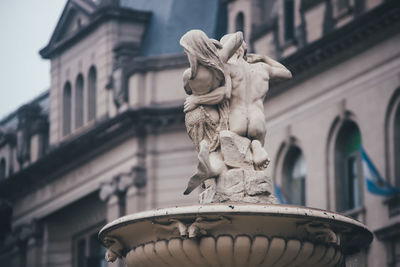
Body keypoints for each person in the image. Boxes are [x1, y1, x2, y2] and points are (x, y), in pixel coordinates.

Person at [185, 33, 292, 170]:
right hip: (258, 119)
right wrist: (263, 58)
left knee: (231, 163)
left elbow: (225, 92)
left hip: (237, 121)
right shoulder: (262, 68)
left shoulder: (227, 68)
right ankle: (256, 144)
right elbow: (287, 73)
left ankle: (213, 166)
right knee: (255, 158)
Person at [180, 30, 243, 195]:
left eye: (187, 51)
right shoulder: (218, 64)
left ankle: (207, 173)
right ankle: (210, 168)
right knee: (217, 150)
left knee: (205, 147)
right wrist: (214, 46)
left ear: (192, 50)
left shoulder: (188, 75)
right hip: (214, 115)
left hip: (193, 116)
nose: (186, 54)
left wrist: (197, 100)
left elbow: (189, 92)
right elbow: (239, 36)